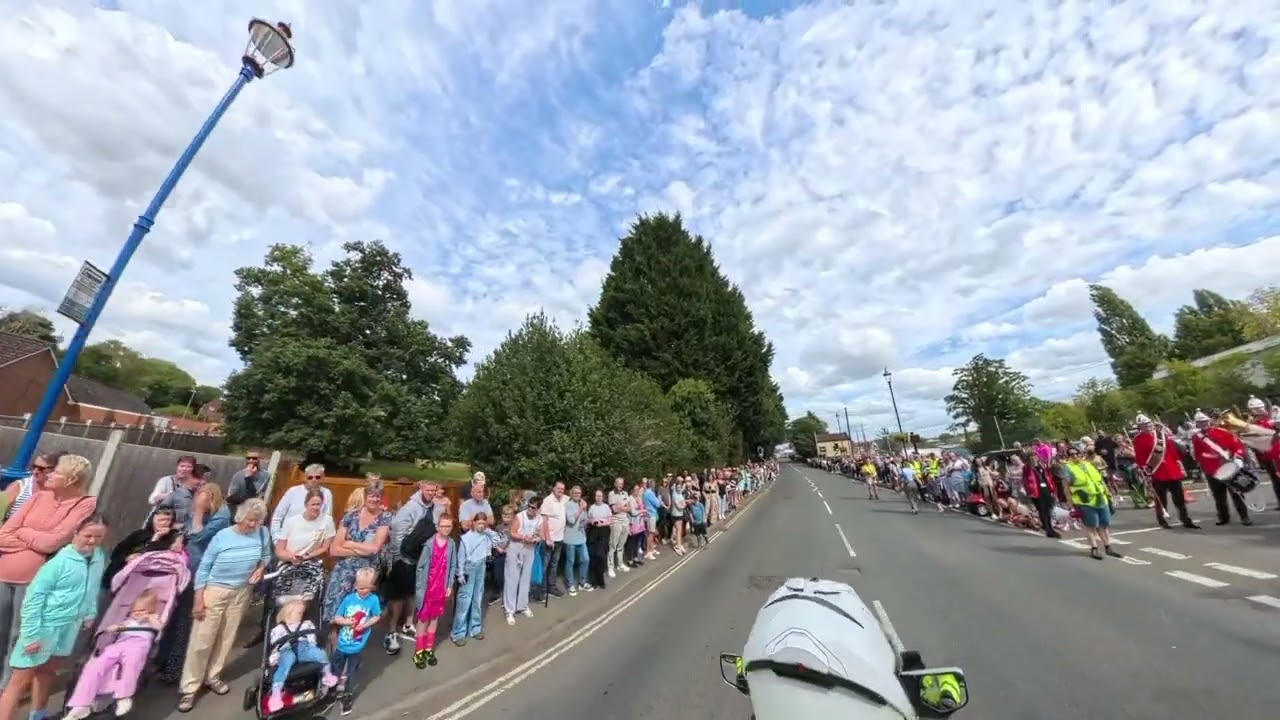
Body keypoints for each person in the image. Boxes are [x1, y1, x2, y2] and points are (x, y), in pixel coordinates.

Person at [0, 453, 97, 689]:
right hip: (4, 572)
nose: (49, 475)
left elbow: (52, 543)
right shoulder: (38, 497)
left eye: (56, 472)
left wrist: (23, 533)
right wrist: (33, 538)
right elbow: (3, 533)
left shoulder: (85, 504)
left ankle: (8, 685)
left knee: (20, 633)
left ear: (72, 479)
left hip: (36, 579)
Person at [0, 514, 107, 720]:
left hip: (70, 625)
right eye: (88, 535)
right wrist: (31, 635)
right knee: (19, 681)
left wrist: (90, 613)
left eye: (99, 537)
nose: (93, 541)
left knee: (47, 672)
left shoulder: (98, 557)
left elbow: (93, 587)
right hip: (44, 627)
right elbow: (33, 599)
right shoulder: (58, 562)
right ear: (75, 533)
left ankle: (37, 714)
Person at [178, 498, 271, 713]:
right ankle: (190, 687)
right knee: (203, 638)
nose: (253, 525)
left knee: (226, 637)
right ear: (240, 517)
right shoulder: (223, 536)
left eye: (257, 521)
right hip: (215, 590)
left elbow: (265, 556)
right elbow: (204, 568)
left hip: (241, 591)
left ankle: (212, 676)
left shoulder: (262, 534)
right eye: (250, 520)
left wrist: (260, 569)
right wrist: (199, 598)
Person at [63, 589, 164, 720]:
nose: (138, 614)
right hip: (120, 643)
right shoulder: (128, 621)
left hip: (139, 644)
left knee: (132, 662)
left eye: (142, 610)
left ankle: (124, 695)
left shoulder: (153, 618)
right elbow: (118, 627)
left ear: (151, 610)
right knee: (96, 663)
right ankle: (81, 704)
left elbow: (159, 627)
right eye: (135, 611)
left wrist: (149, 617)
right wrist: (115, 627)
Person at [265, 599, 338, 712]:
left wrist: (313, 646)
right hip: (286, 649)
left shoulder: (306, 624)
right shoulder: (278, 629)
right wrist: (273, 657)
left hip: (304, 648)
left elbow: (311, 638)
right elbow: (275, 645)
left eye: (302, 613)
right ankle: (276, 694)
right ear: (289, 612)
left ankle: (327, 675)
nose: (301, 615)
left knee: (320, 653)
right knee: (289, 658)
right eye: (299, 613)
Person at [1132, 414, 1200, 530]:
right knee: (1161, 499)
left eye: (1148, 424)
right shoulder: (1138, 440)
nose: (1147, 426)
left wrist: (1179, 465)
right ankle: (1162, 519)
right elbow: (1140, 458)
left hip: (1172, 470)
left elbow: (1173, 451)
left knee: (1179, 498)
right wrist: (1146, 472)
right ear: (1140, 427)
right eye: (1144, 425)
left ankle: (1185, 519)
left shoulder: (1161, 435)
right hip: (1156, 471)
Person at [330, 567, 381, 716]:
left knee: (352, 672)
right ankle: (332, 687)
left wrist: (365, 624)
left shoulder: (373, 600)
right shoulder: (349, 599)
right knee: (336, 667)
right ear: (355, 586)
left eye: (366, 588)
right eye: (359, 587)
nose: (363, 591)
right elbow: (337, 618)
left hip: (357, 645)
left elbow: (376, 616)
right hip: (342, 643)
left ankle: (347, 695)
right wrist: (346, 621)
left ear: (372, 587)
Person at [1190, 410, 1252, 526]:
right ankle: (1223, 517)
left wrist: (1238, 456)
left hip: (1228, 466)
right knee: (1219, 496)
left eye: (1204, 421)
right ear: (1197, 424)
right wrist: (1205, 460)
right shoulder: (1196, 438)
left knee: (1236, 493)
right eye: (1200, 423)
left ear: (1209, 421)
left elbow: (1236, 445)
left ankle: (1244, 516)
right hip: (1212, 469)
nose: (1203, 424)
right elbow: (1198, 454)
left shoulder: (1222, 432)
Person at [412, 514, 457, 669]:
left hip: (440, 588)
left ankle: (429, 649)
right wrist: (419, 589)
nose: (446, 529)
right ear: (438, 526)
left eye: (449, 526)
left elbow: (452, 566)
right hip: (427, 589)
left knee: (435, 619)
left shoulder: (451, 544)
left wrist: (450, 585)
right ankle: (419, 651)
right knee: (423, 620)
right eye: (443, 526)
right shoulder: (429, 545)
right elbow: (420, 568)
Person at [1064, 447, 1122, 560]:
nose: (1075, 456)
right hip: (1085, 501)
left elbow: (1099, 479)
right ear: (1069, 457)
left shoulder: (1088, 464)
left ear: (1080, 454)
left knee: (1104, 524)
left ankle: (1108, 547)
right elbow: (1066, 487)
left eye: (1077, 453)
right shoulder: (1068, 468)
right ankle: (1094, 548)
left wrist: (1108, 492)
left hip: (1100, 498)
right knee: (1091, 526)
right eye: (1072, 455)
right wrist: (1070, 503)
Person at [502, 498, 543, 626]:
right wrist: (524, 537)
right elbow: (512, 533)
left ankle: (523, 605)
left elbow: (540, 535)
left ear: (538, 509)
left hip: (529, 549)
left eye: (533, 508)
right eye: (529, 506)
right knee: (512, 578)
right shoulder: (520, 516)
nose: (530, 509)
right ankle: (509, 609)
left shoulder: (540, 519)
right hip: (516, 547)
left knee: (526, 578)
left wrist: (536, 539)